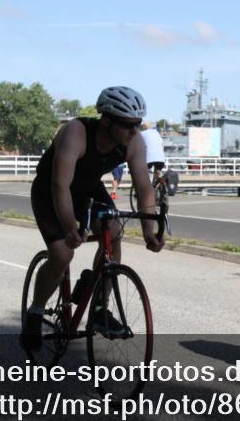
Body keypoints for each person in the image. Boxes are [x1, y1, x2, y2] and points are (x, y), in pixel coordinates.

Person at [22, 86, 164, 351]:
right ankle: (36, 311)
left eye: (138, 125)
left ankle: (99, 307)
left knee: (114, 230)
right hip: (51, 190)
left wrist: (149, 230)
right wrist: (69, 227)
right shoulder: (75, 133)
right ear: (107, 120)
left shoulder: (134, 141)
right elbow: (60, 186)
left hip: (86, 189)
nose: (135, 132)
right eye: (128, 126)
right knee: (63, 255)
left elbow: (145, 188)